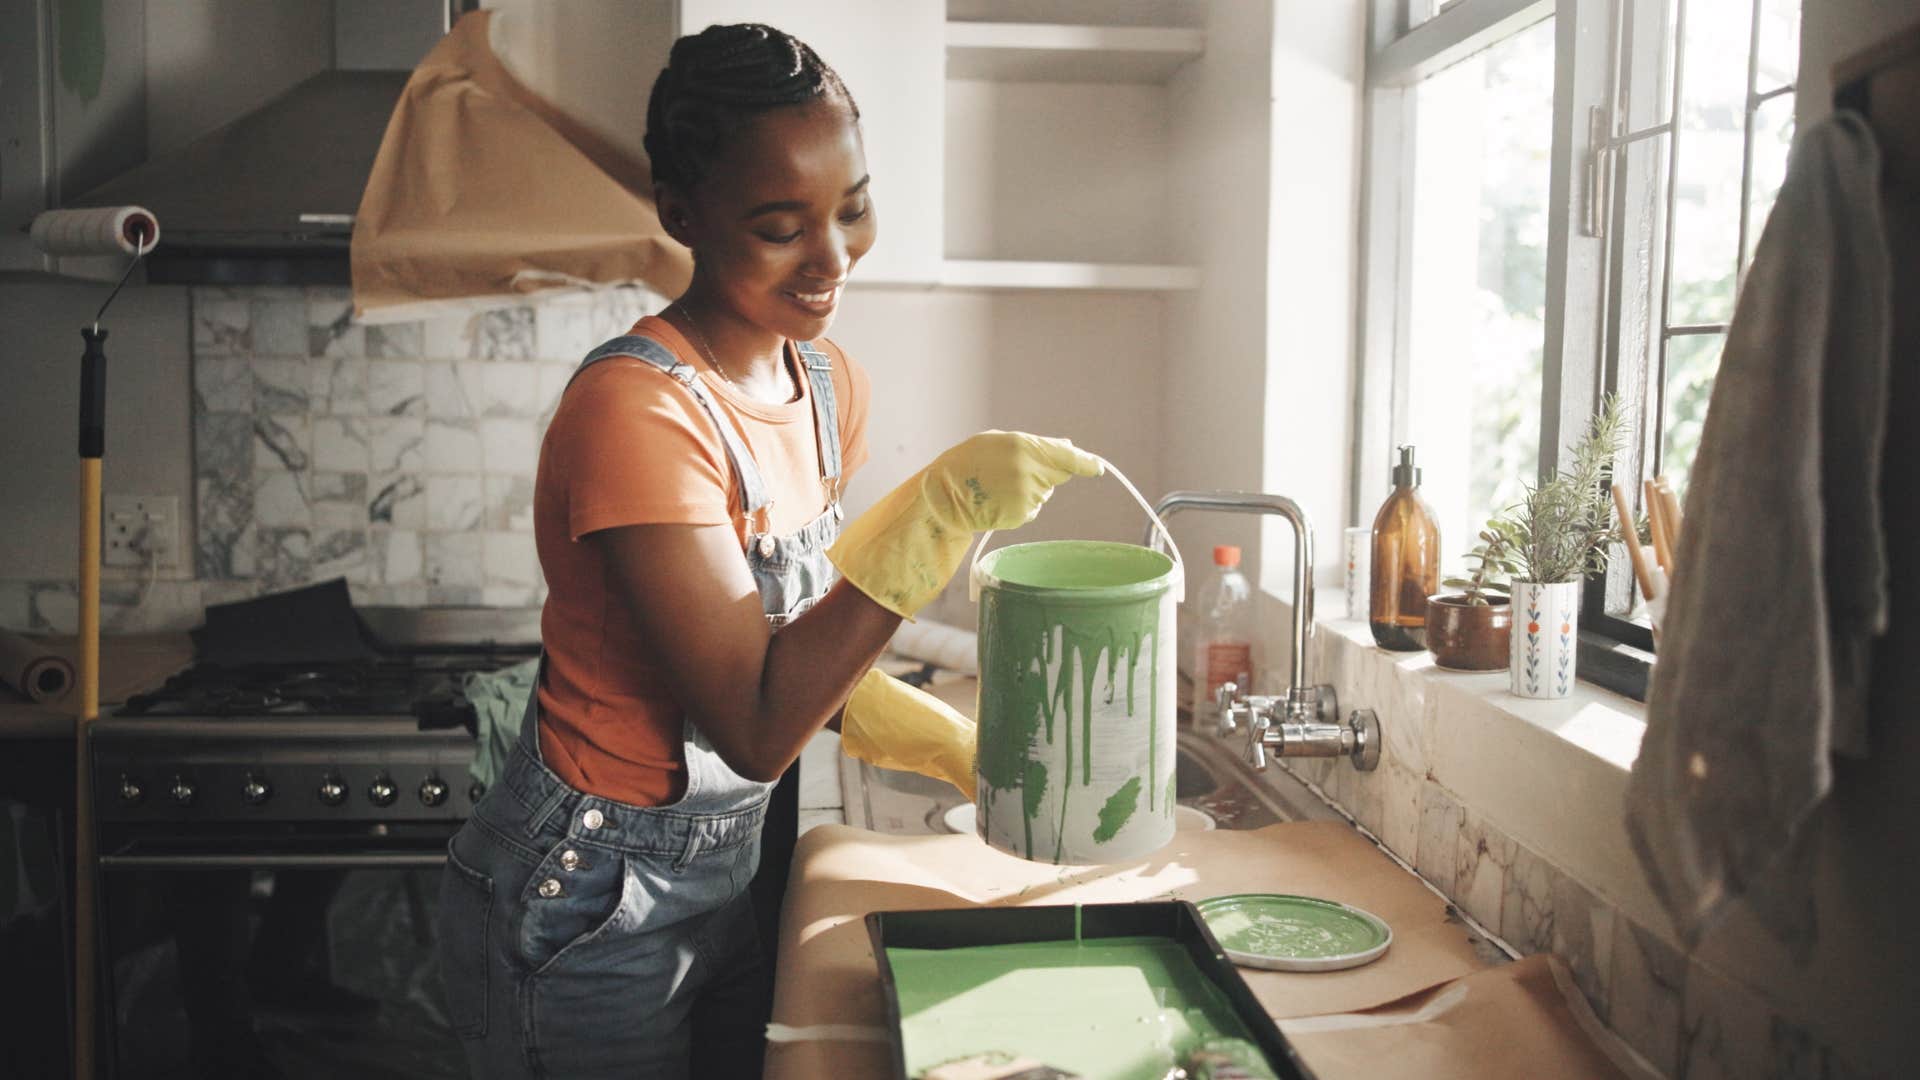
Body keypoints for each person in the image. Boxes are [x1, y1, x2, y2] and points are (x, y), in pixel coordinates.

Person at [434, 22, 1100, 1079]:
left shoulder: (827, 388)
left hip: (720, 878)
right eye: (781, 226)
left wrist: (950, 745)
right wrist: (935, 515)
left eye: (853, 207)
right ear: (682, 216)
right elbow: (752, 720)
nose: (832, 257)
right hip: (588, 904)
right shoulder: (636, 412)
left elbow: (790, 647)